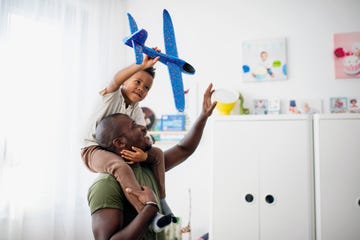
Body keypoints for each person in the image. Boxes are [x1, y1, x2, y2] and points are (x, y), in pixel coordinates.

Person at [87, 83, 217, 240]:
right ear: (120, 143)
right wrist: (150, 208)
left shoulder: (149, 166)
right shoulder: (106, 185)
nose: (143, 128)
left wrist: (203, 116)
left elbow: (184, 149)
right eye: (133, 126)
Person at [81, 49, 175, 232]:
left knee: (157, 153)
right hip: (93, 150)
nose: (141, 88)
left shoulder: (136, 109)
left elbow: (143, 138)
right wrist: (141, 65)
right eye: (137, 82)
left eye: (147, 87)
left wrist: (144, 153)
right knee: (120, 166)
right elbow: (115, 80)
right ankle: (148, 214)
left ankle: (162, 202)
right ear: (126, 81)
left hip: (117, 148)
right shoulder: (111, 97)